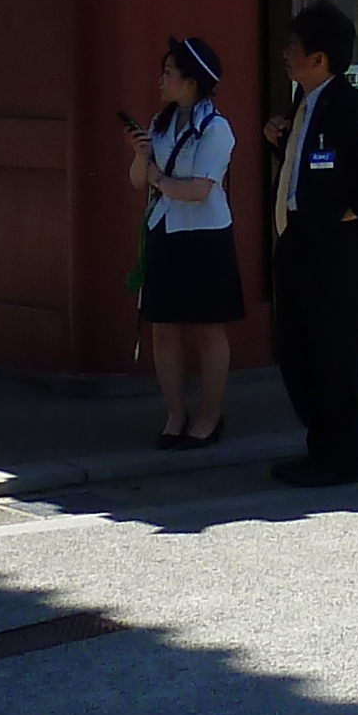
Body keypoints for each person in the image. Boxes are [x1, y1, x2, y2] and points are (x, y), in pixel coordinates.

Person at [265, 0, 358, 487]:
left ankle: (342, 458)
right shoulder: (305, 101)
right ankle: (318, 447)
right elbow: (317, 161)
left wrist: (355, 209)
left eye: (294, 47)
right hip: (298, 243)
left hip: (333, 251)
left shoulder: (346, 103)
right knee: (296, 350)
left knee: (332, 356)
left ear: (320, 58)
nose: (286, 54)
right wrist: (279, 139)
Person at [126, 36, 244, 449]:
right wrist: (141, 158)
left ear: (191, 84)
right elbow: (139, 181)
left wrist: (158, 178)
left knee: (209, 329)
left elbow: (199, 190)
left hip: (205, 237)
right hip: (165, 230)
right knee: (164, 328)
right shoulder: (161, 123)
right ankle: (174, 414)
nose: (161, 81)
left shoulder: (217, 130)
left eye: (169, 74)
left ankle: (209, 418)